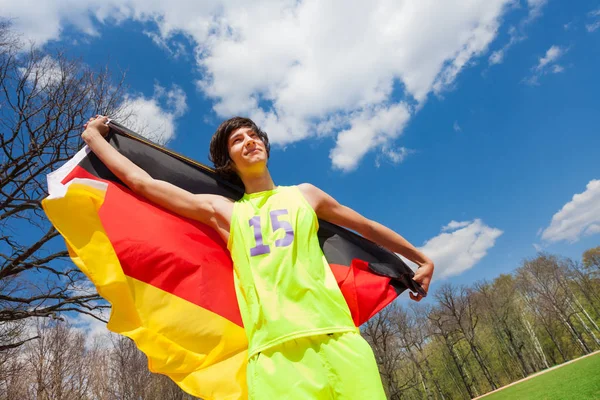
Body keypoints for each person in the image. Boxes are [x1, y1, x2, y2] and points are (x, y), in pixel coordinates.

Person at [82, 115, 434, 399]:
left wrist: (422, 259)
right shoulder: (224, 213)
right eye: (238, 140)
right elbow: (142, 183)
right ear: (228, 161)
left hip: (339, 339)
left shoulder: (305, 195)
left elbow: (367, 228)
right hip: (274, 358)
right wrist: (95, 139)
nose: (249, 141)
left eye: (254, 135)